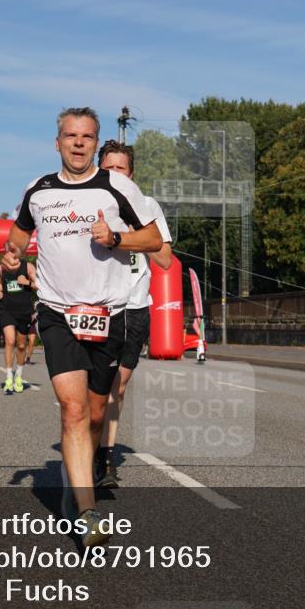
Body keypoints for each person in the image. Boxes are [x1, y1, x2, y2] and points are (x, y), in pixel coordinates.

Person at [2, 106, 162, 546]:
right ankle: (88, 512)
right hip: (57, 312)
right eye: (70, 136)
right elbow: (17, 235)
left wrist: (115, 238)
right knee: (72, 410)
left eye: (87, 137)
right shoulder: (39, 190)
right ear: (57, 142)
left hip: (108, 314)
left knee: (94, 415)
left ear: (95, 142)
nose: (78, 143)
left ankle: (82, 478)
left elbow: (154, 241)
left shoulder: (116, 186)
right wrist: (13, 254)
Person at [96, 140, 174, 488]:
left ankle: (105, 456)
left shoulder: (147, 207)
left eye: (121, 169)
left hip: (134, 307)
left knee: (118, 385)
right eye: (108, 168)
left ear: (132, 173)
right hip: (95, 307)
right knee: (91, 388)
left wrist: (128, 236)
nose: (114, 174)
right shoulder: (87, 204)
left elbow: (165, 260)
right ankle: (88, 449)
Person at [0, 256, 37, 393]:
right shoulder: (1, 268)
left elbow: (39, 286)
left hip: (24, 311)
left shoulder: (28, 267)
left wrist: (27, 282)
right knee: (10, 340)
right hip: (7, 310)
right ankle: (9, 377)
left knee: (21, 345)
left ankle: (18, 376)